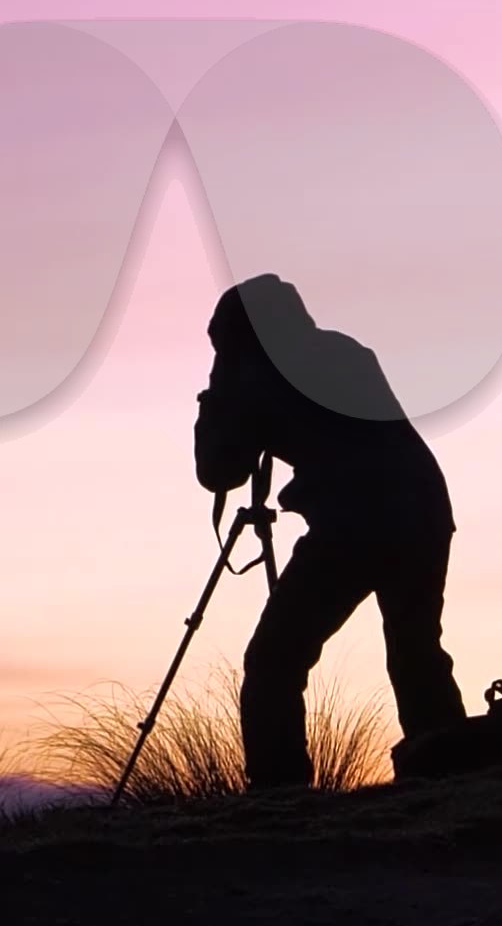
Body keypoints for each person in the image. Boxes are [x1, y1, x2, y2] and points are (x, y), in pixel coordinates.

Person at [194, 274, 462, 788]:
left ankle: (280, 795)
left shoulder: (259, 379)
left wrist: (216, 392)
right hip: (421, 508)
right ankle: (448, 783)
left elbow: (219, 471)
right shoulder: (346, 352)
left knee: (273, 661)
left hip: (355, 521)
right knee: (417, 652)